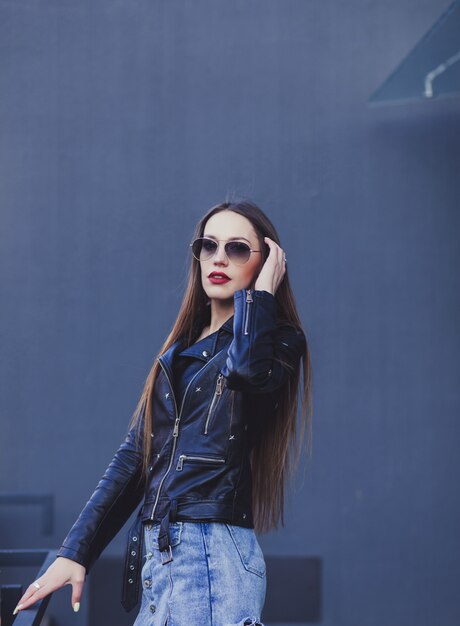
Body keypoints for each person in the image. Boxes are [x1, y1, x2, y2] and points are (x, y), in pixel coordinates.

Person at [13, 199, 312, 626]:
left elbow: (243, 372)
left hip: (209, 556)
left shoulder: (276, 343)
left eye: (238, 249)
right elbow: (135, 457)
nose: (219, 258)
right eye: (208, 246)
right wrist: (76, 553)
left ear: (268, 262)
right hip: (165, 556)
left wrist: (261, 295)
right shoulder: (178, 354)